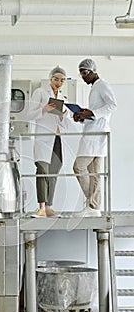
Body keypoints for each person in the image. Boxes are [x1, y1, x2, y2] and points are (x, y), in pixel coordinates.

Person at [73, 58, 117, 217]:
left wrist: (92, 113)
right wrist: (82, 116)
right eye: (81, 74)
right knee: (94, 172)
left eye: (85, 73)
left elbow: (113, 105)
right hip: (94, 132)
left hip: (97, 134)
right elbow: (95, 112)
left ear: (92, 71)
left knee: (79, 167)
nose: (83, 77)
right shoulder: (95, 87)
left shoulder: (102, 85)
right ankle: (94, 206)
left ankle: (92, 203)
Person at [28, 66, 69, 218]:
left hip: (57, 139)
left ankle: (49, 207)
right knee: (42, 171)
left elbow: (66, 124)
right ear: (50, 78)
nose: (59, 83)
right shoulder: (40, 92)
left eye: (62, 80)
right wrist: (43, 109)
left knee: (54, 172)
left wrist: (62, 116)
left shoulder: (64, 98)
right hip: (43, 138)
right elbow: (29, 114)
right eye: (56, 79)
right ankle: (41, 207)